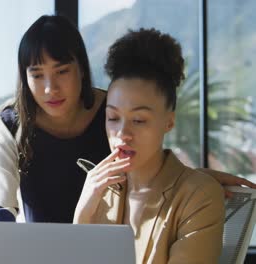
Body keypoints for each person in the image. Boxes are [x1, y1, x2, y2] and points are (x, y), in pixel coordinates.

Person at [0, 14, 255, 223]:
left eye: (62, 71)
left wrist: (195, 180)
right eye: (37, 75)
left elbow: (151, 171)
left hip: (116, 250)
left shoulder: (112, 112)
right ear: (24, 77)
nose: (50, 88)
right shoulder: (9, 126)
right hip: (39, 255)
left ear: (82, 69)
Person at [73, 28, 225, 263]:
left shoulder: (198, 197)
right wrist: (82, 215)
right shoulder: (102, 193)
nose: (122, 133)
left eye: (139, 120)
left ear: (169, 122)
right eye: (113, 118)